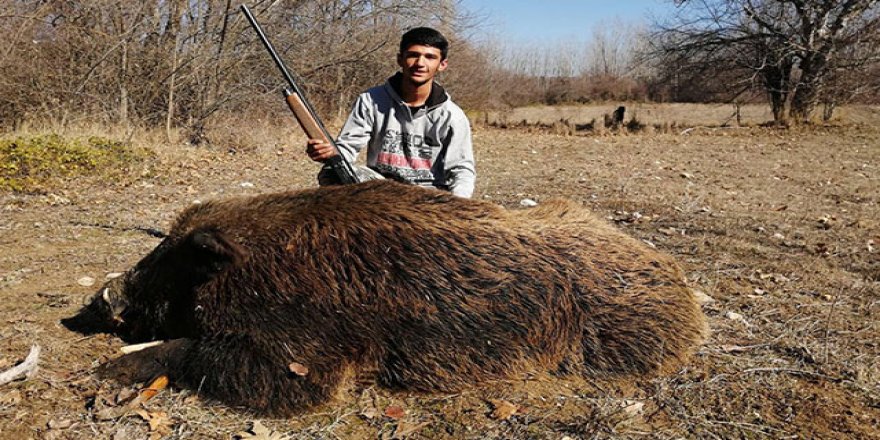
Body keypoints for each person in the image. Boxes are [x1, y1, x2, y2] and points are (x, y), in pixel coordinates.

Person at [305, 27, 476, 198]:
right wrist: (328, 153)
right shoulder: (370, 100)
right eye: (413, 55)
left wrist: (458, 206)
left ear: (442, 65)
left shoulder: (452, 116)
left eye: (430, 57)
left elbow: (461, 169)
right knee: (331, 172)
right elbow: (347, 148)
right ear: (400, 59)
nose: (420, 63)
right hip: (381, 191)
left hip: (428, 197)